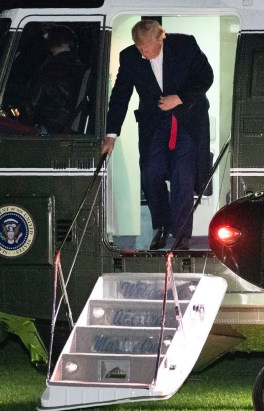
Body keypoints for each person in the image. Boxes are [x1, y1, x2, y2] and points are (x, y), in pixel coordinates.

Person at [102, 19, 213, 250]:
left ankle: (181, 235)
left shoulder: (185, 45)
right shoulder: (130, 57)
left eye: (147, 47)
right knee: (151, 172)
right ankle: (162, 225)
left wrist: (179, 98)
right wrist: (111, 134)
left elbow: (206, 76)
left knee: (183, 176)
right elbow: (120, 96)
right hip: (155, 125)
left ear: (161, 37)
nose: (143, 52)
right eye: (139, 47)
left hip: (186, 120)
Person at [26, 25, 86, 134]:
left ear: (51, 44)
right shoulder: (83, 70)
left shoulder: (47, 69)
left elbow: (32, 102)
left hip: (48, 130)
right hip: (72, 131)